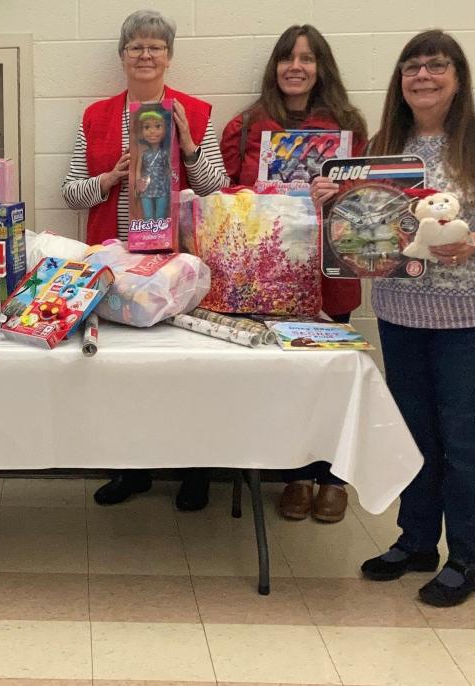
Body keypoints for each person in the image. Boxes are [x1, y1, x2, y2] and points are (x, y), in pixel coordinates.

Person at [311, 30, 475, 607]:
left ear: (457, 76)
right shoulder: (388, 143)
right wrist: (330, 201)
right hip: (402, 310)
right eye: (412, 67)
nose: (423, 76)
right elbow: (364, 224)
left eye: (437, 66)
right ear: (400, 81)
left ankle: (467, 559)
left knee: (464, 439)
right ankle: (416, 543)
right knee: (414, 435)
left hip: (473, 317)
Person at [62, 9, 230, 511]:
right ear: (122, 56)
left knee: (186, 374)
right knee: (121, 375)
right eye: (136, 46)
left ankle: (196, 471)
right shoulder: (96, 116)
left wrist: (192, 147)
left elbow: (216, 191)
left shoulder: (195, 112)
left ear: (169, 56)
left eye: (155, 46)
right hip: (115, 266)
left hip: (176, 265)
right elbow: (71, 193)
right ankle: (131, 469)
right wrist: (110, 179)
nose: (145, 54)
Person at [220, 24, 369, 523]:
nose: (296, 67)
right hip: (272, 274)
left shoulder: (350, 125)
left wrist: (338, 192)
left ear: (321, 67)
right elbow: (227, 199)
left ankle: (332, 476)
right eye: (288, 58)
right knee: (284, 379)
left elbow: (368, 203)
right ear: (275, 66)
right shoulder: (245, 127)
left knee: (332, 376)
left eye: (307, 58)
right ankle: (296, 475)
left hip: (331, 270)